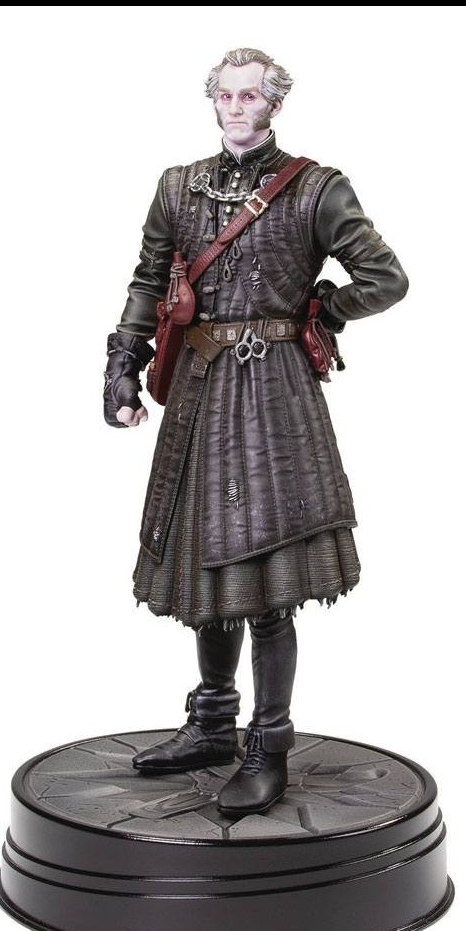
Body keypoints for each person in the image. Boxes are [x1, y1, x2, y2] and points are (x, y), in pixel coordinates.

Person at [103, 48, 407, 816]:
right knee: (207, 563)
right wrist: (122, 363)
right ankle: (213, 723)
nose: (238, 108)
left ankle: (269, 743)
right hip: (200, 389)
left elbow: (385, 278)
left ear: (275, 105)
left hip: (274, 394)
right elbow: (148, 281)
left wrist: (325, 310)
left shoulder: (315, 188)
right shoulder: (177, 187)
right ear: (213, 102)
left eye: (252, 97)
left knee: (269, 577)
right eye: (227, 96)